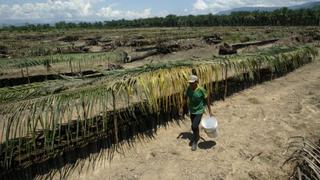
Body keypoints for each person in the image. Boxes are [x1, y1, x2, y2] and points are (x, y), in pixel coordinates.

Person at [184, 74, 213, 151]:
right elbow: (185, 97)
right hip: (192, 110)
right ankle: (197, 135)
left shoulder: (201, 90)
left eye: (192, 83)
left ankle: (195, 140)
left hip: (199, 110)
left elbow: (207, 99)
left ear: (196, 82)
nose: (190, 84)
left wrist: (210, 110)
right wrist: (181, 107)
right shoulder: (189, 89)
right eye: (189, 83)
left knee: (194, 126)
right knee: (194, 126)